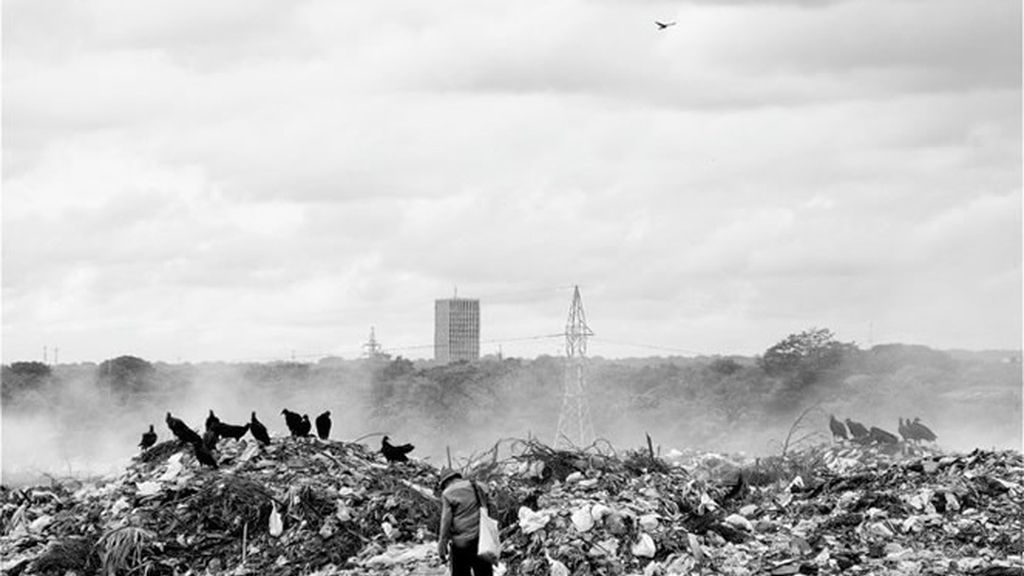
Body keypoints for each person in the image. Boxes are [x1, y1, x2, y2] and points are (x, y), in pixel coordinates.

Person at [437, 468, 493, 576]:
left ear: (445, 482)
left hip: (461, 544)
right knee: (484, 572)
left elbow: (446, 521)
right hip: (482, 540)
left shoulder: (447, 493)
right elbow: (493, 508)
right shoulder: (478, 485)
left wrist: (442, 543)